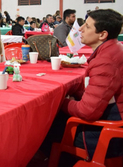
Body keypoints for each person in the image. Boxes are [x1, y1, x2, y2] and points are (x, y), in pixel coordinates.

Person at [40, 9, 123, 164]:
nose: (80, 29)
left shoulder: (106, 61)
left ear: (102, 35)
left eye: (87, 26)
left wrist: (61, 102)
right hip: (113, 114)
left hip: (109, 132)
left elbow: (88, 111)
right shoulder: (115, 49)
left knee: (45, 126)